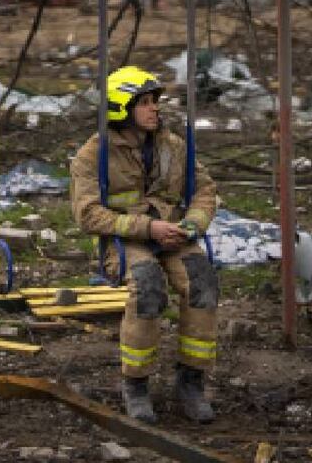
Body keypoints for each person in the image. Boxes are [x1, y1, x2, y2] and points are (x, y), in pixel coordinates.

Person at [69, 65, 219, 424]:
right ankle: (136, 384)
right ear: (121, 108)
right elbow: (87, 214)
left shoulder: (175, 146)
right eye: (146, 103)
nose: (155, 109)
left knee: (202, 282)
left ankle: (191, 381)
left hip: (174, 234)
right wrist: (148, 228)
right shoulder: (93, 155)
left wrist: (192, 225)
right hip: (124, 240)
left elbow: (204, 190)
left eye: (156, 102)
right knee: (148, 285)